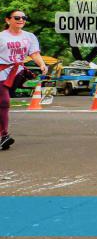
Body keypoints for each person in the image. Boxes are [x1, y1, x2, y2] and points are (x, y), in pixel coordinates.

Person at [0, 9, 48, 150]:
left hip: (17, 74)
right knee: (3, 102)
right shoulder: (2, 37)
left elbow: (34, 53)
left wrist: (42, 64)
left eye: (24, 17)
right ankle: (4, 136)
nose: (21, 19)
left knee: (2, 104)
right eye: (17, 17)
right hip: (1, 72)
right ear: (8, 20)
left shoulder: (30, 36)